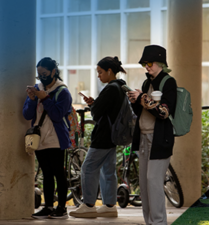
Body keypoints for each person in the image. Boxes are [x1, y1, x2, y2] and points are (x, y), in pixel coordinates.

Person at [69, 56, 127, 218]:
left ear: (110, 71)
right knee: (108, 170)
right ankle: (109, 206)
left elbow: (96, 113)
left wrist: (92, 105)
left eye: (100, 72)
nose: (98, 76)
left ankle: (88, 205)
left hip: (103, 135)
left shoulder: (110, 89)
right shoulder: (121, 87)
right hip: (113, 135)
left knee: (88, 168)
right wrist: (94, 103)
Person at [127, 45, 177, 225]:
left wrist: (142, 98)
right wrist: (135, 100)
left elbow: (163, 113)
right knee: (145, 184)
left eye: (149, 63)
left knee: (153, 181)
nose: (146, 67)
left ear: (160, 63)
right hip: (143, 138)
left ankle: (158, 222)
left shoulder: (168, 82)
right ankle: (150, 222)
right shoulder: (146, 83)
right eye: (144, 64)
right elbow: (142, 111)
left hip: (159, 140)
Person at [23, 57, 73, 219]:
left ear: (53, 72)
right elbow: (27, 114)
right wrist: (32, 100)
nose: (42, 77)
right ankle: (48, 206)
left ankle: (62, 208)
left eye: (45, 73)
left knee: (59, 172)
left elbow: (58, 115)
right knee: (46, 173)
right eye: (39, 74)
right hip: (40, 138)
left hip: (56, 139)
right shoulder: (38, 89)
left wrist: (45, 98)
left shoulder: (62, 91)